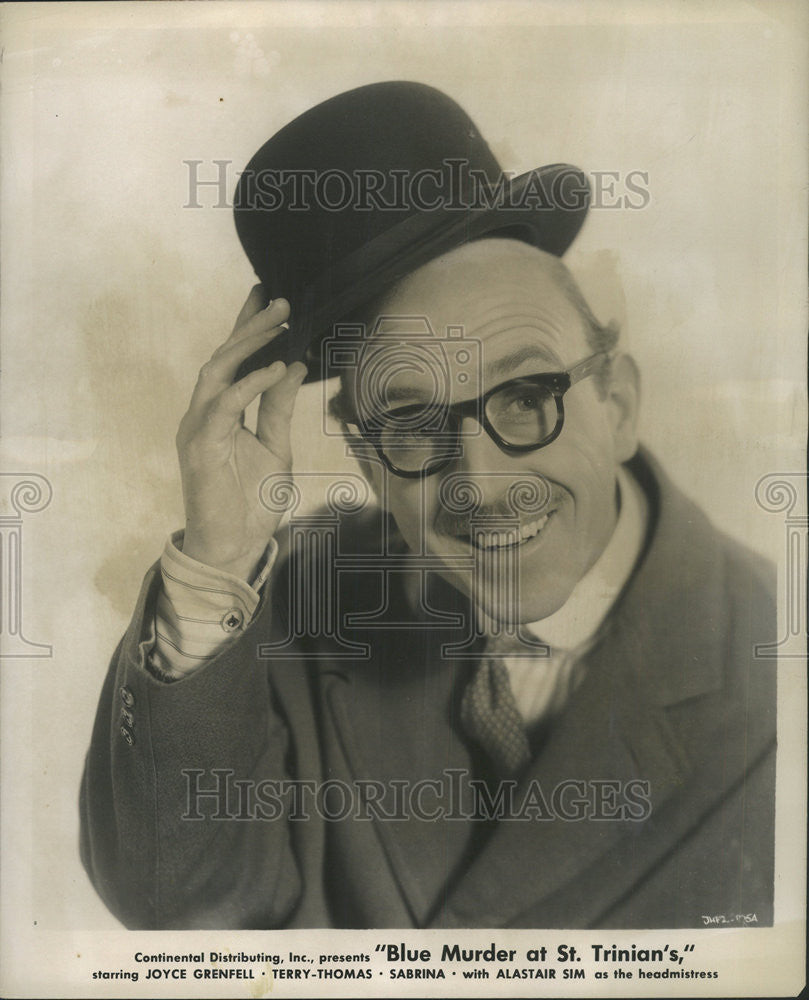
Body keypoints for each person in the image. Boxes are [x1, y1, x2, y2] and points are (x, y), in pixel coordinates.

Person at [80, 81, 776, 930]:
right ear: (367, 458)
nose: (479, 486)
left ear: (619, 403)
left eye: (525, 395)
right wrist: (217, 561)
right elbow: (179, 917)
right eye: (410, 425)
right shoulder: (289, 602)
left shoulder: (774, 660)